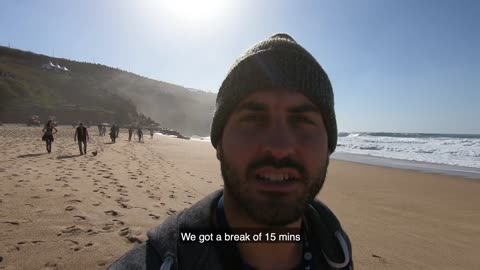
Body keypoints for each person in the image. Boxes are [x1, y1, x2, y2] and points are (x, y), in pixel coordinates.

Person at [109, 33, 353, 270]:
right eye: (253, 119)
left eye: (302, 121)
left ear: (329, 145)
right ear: (219, 143)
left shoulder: (336, 251)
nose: (279, 148)